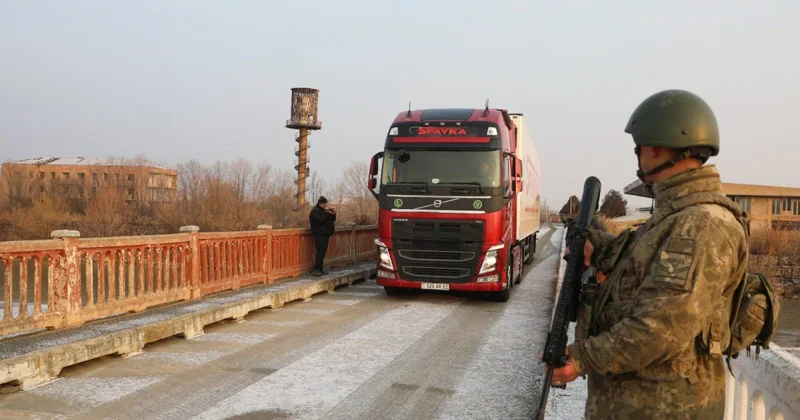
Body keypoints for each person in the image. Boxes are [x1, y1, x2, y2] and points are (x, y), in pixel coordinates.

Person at [548, 89, 749, 419]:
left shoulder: (699, 225)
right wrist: (594, 245)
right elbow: (635, 266)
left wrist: (581, 358)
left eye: (639, 147)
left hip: (661, 409)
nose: (638, 156)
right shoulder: (673, 217)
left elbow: (661, 328)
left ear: (656, 146)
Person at [308, 196, 336, 276]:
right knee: (320, 251)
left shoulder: (323, 211)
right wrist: (327, 213)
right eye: (324, 204)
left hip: (325, 234)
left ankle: (320, 269)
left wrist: (333, 214)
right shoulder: (315, 211)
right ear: (320, 203)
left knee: (322, 252)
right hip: (319, 234)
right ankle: (316, 269)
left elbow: (332, 219)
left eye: (326, 203)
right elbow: (320, 220)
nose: (325, 205)